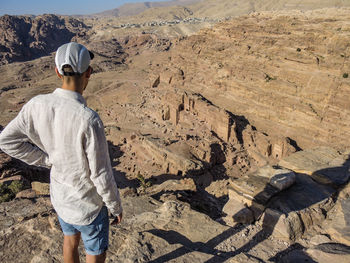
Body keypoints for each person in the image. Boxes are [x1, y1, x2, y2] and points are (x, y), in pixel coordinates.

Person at [0, 42, 122, 263]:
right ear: (89, 73)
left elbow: (6, 141)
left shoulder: (35, 105)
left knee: (69, 241)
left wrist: (46, 159)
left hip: (61, 200)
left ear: (57, 72)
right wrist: (114, 205)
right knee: (95, 251)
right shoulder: (89, 119)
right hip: (89, 207)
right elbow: (100, 173)